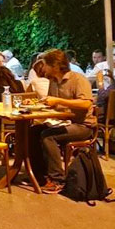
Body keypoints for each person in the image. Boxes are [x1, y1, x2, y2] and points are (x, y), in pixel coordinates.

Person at [38, 49, 96, 194]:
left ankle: (58, 180)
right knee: (33, 131)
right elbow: (52, 105)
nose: (42, 68)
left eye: (45, 65)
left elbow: (86, 104)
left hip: (83, 125)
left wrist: (58, 100)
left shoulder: (78, 79)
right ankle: (40, 174)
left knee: (48, 136)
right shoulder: (53, 81)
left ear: (55, 66)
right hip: (63, 122)